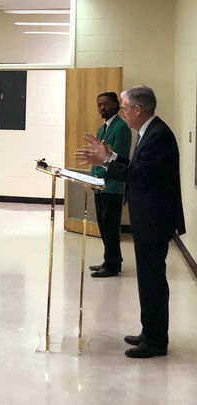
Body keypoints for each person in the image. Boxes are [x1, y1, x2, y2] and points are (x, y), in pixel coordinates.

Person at [76, 85, 185, 358]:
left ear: (138, 109)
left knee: (152, 281)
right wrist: (109, 156)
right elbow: (138, 168)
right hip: (149, 218)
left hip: (155, 219)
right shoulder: (148, 131)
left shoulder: (158, 135)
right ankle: (149, 332)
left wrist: (107, 161)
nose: (123, 113)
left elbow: (141, 176)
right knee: (148, 280)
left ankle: (156, 341)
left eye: (124, 108)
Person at [87, 92, 132, 278]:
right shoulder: (101, 129)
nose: (102, 108)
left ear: (116, 105)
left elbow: (118, 160)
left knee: (111, 227)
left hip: (112, 186)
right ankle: (109, 260)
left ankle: (113, 265)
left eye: (106, 104)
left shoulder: (122, 128)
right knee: (103, 225)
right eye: (99, 105)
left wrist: (102, 173)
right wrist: (93, 177)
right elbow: (97, 156)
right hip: (100, 185)